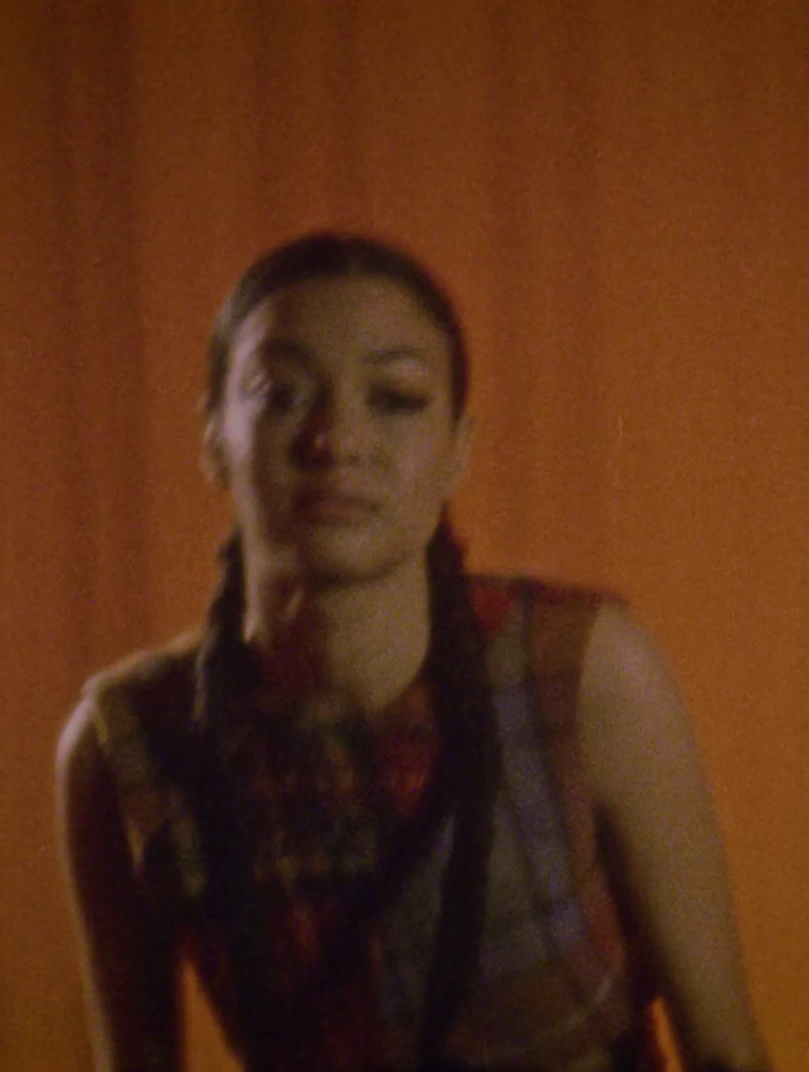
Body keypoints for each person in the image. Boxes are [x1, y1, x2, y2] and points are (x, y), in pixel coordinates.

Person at [56, 233, 770, 1072]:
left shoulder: (582, 674)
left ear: (457, 450)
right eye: (282, 392)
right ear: (214, 437)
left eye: (395, 397)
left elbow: (724, 1052)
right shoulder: (129, 743)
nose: (338, 438)